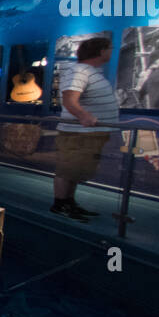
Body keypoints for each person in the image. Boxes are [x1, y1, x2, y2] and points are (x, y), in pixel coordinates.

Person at [53, 37, 119, 222]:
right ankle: (60, 203)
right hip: (78, 133)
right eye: (110, 48)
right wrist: (83, 116)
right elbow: (69, 99)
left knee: (76, 169)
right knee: (68, 168)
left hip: (88, 133)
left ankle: (69, 202)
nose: (111, 52)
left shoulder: (88, 71)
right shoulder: (80, 71)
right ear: (100, 51)